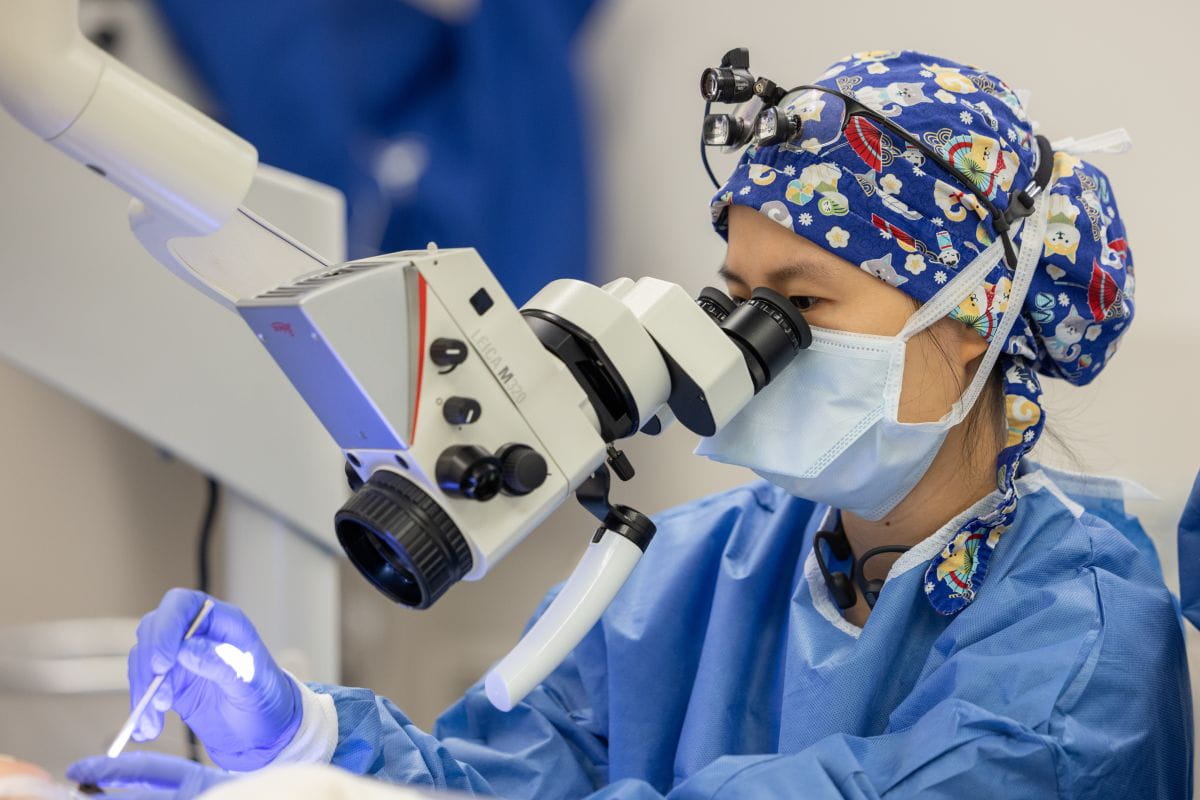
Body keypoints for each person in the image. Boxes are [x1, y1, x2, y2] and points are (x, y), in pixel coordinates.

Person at [70, 50, 1191, 799]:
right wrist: (302, 742)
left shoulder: (1080, 636)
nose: (747, 341)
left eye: (800, 306)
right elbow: (507, 768)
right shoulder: (711, 561)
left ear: (972, 324)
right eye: (734, 295)